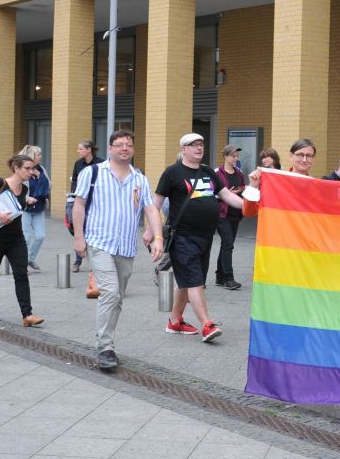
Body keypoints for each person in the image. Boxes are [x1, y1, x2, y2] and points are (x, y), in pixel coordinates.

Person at [72, 130, 164, 370]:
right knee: (110, 292)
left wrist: (158, 237)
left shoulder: (139, 179)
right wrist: (79, 239)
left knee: (117, 297)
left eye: (129, 145)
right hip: (99, 242)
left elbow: (151, 210)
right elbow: (79, 205)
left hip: (125, 246)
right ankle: (105, 347)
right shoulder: (91, 173)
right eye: (120, 145)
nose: (125, 148)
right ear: (110, 148)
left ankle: (107, 342)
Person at [154, 134, 245, 343]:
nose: (198, 148)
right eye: (193, 145)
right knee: (195, 281)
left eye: (201, 144)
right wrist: (153, 233)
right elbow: (155, 204)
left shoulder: (207, 172)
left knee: (188, 281)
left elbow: (226, 195)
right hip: (183, 237)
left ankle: (175, 321)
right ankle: (207, 324)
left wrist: (249, 205)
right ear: (183, 149)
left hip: (205, 237)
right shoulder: (172, 172)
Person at [0, 155, 44, 327]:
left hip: (16, 238)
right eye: (27, 168)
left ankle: (27, 315)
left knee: (21, 274)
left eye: (32, 168)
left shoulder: (25, 189)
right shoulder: (0, 183)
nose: (31, 172)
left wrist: (27, 201)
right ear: (16, 168)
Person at [215, 144, 247, 290]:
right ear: (225, 156)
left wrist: (241, 190)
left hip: (235, 213)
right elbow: (210, 191)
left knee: (226, 245)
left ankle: (219, 276)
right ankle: (229, 278)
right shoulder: (217, 173)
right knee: (228, 244)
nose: (235, 158)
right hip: (222, 214)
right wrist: (226, 193)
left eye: (237, 156)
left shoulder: (238, 172)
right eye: (233, 156)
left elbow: (242, 187)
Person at [68, 140, 104, 272]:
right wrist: (72, 196)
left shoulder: (101, 163)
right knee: (80, 229)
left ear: (89, 150)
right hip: (82, 200)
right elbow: (75, 182)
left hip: (96, 202)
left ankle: (95, 262)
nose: (78, 151)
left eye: (80, 148)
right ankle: (78, 260)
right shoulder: (78, 164)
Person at [19, 145, 50, 272]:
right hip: (25, 208)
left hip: (39, 207)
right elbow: (18, 188)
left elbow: (49, 185)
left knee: (40, 236)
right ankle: (23, 263)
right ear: (32, 156)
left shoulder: (41, 169)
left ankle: (30, 259)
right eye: (39, 154)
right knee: (25, 238)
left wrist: (40, 176)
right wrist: (26, 199)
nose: (41, 157)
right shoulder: (23, 169)